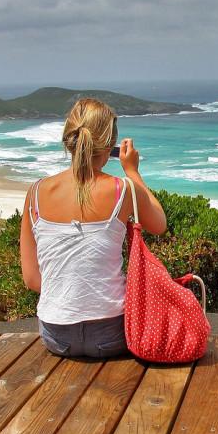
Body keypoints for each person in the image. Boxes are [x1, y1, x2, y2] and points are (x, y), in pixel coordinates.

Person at [20, 98, 167, 358]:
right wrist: (132, 171)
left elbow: (32, 279)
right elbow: (159, 224)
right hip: (112, 334)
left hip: (56, 335)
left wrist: (72, 296)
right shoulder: (123, 189)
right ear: (110, 145)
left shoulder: (36, 192)